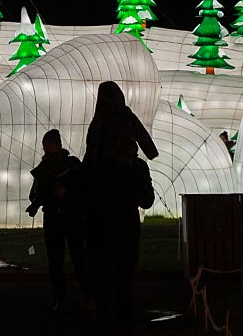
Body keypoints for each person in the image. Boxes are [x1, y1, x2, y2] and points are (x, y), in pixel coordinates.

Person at [81, 81, 158, 336]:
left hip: (99, 230)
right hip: (126, 231)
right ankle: (125, 327)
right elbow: (147, 199)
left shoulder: (96, 152)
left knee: (103, 286)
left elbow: (87, 169)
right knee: (125, 286)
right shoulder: (134, 166)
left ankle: (104, 326)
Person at [26, 129, 85, 310]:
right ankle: (61, 297)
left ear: (58, 144)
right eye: (45, 145)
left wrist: (67, 192)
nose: (46, 148)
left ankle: (86, 295)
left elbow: (84, 186)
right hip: (53, 217)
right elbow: (35, 193)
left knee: (78, 257)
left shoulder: (72, 164)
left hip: (71, 216)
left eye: (49, 144)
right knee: (56, 260)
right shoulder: (44, 168)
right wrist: (37, 202)